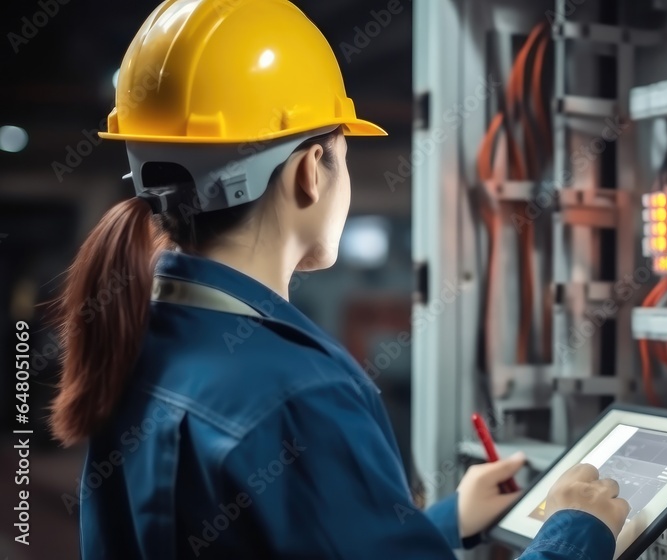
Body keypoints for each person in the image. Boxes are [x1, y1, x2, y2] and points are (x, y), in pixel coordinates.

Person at [51, 0, 630, 558]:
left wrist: (443, 523)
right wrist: (576, 532)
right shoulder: (301, 395)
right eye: (343, 152)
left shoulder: (139, 340)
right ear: (309, 171)